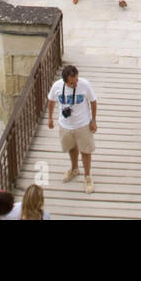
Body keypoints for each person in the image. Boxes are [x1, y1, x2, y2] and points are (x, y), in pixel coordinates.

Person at [46, 65, 97, 194]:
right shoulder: (57, 86)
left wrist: (93, 120)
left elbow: (93, 101)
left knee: (86, 151)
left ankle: (87, 176)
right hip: (65, 125)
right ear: (65, 81)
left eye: (76, 81)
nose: (75, 84)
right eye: (72, 83)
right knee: (72, 148)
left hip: (83, 124)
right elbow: (51, 100)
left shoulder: (84, 85)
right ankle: (74, 169)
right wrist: (50, 118)